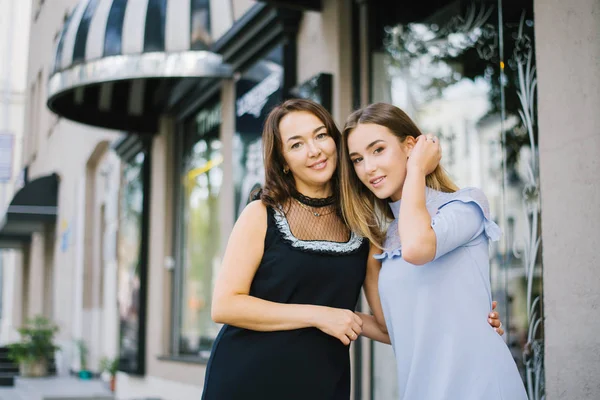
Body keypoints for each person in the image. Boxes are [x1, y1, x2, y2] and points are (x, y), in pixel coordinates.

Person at [201, 99, 504, 400]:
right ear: (283, 160)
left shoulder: (364, 229)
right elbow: (225, 306)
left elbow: (388, 327)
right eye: (296, 145)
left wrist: (471, 316)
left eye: (321, 135)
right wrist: (320, 315)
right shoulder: (262, 214)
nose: (314, 150)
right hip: (248, 377)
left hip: (322, 381)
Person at [339, 102, 527, 400]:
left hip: (480, 387)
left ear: (410, 145)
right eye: (358, 159)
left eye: (378, 150)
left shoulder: (464, 206)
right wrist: (329, 315)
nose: (368, 167)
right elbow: (391, 328)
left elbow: (417, 248)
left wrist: (416, 169)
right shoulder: (383, 240)